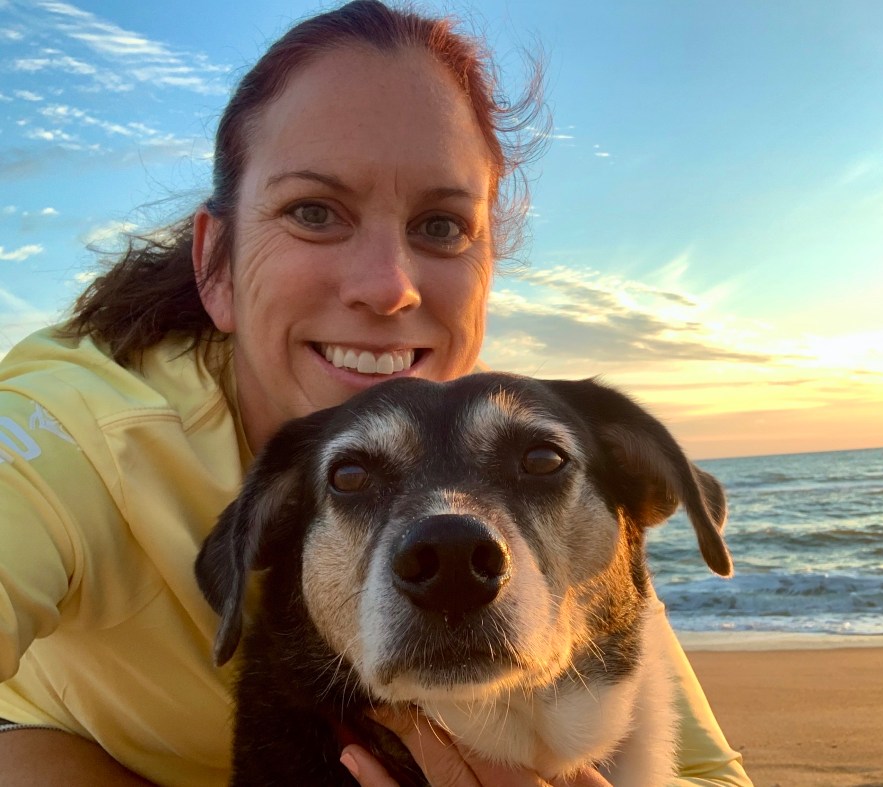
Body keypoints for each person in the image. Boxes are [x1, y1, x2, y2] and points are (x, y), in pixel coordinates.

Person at [0, 2, 752, 785]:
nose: (389, 287)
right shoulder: (74, 430)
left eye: (441, 226)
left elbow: (708, 773)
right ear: (216, 264)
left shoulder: (534, 463)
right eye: (314, 213)